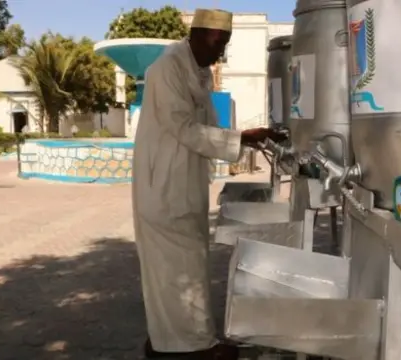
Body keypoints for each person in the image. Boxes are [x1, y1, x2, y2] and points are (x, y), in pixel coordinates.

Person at [131, 8, 286, 360]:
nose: (221, 52)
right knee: (174, 272)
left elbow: (211, 127)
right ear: (198, 34)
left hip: (185, 183)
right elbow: (184, 128)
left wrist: (247, 138)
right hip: (164, 187)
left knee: (188, 267)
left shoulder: (199, 70)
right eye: (218, 42)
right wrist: (241, 139)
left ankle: (174, 342)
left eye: (226, 44)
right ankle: (189, 348)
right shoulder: (167, 69)